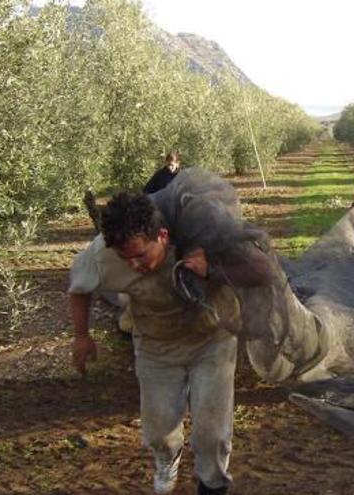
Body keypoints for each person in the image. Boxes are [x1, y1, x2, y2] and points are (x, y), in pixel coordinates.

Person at [68, 191, 273, 494]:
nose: (134, 265)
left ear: (162, 236)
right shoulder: (101, 254)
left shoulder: (202, 236)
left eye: (140, 255)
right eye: (125, 259)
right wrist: (82, 336)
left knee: (212, 432)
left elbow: (262, 271)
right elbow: (79, 289)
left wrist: (212, 271)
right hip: (156, 346)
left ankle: (212, 482)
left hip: (211, 340)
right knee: (159, 430)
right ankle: (168, 457)